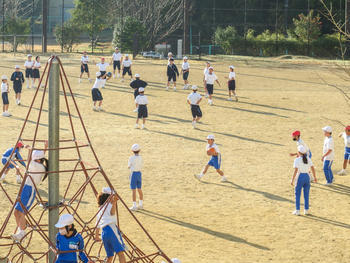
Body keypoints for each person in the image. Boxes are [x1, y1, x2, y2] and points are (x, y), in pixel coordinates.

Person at [11, 142, 48, 241]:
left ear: (38, 160)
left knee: (21, 212)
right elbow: (35, 158)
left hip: (30, 190)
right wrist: (45, 148)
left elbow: (29, 161)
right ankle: (20, 232)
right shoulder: (38, 164)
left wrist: (30, 149)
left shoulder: (38, 166)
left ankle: (22, 233)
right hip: (25, 188)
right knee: (16, 212)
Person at [95, 187, 127, 263]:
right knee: (121, 253)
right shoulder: (109, 204)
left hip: (104, 233)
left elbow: (97, 224)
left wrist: (96, 236)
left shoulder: (100, 208)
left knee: (110, 256)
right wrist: (114, 202)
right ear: (109, 197)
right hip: (111, 229)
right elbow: (112, 213)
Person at [291, 145, 317, 216]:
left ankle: (297, 210)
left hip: (300, 177)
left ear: (299, 152)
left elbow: (296, 171)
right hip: (307, 177)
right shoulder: (308, 159)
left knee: (297, 194)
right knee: (306, 194)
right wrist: (314, 177)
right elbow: (312, 168)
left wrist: (292, 179)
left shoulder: (297, 160)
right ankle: (306, 210)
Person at [128, 144, 143, 211]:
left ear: (132, 151)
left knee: (133, 190)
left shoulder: (131, 158)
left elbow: (128, 166)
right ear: (139, 150)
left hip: (133, 174)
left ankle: (134, 205)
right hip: (139, 173)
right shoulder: (140, 157)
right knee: (139, 189)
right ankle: (141, 204)